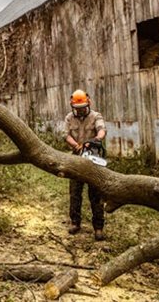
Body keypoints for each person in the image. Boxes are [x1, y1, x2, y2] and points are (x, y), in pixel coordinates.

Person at [64, 89, 107, 241]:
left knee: (95, 195)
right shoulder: (69, 118)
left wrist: (95, 140)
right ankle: (75, 223)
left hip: (93, 159)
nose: (80, 110)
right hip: (76, 159)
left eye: (82, 107)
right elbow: (66, 135)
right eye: (77, 108)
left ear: (88, 103)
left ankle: (98, 227)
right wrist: (76, 145)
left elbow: (102, 129)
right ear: (73, 107)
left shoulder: (95, 116)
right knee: (75, 193)